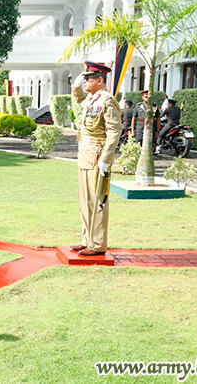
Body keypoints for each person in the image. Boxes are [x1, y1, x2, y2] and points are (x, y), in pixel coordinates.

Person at [70, 61, 121, 256]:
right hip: (85, 154)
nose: (85, 82)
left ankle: (98, 244)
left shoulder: (107, 101)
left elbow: (114, 131)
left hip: (98, 157)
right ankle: (87, 238)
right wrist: (78, 81)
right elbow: (77, 96)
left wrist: (106, 159)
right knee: (85, 201)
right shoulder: (92, 99)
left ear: (100, 80)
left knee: (98, 201)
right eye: (85, 78)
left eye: (88, 78)